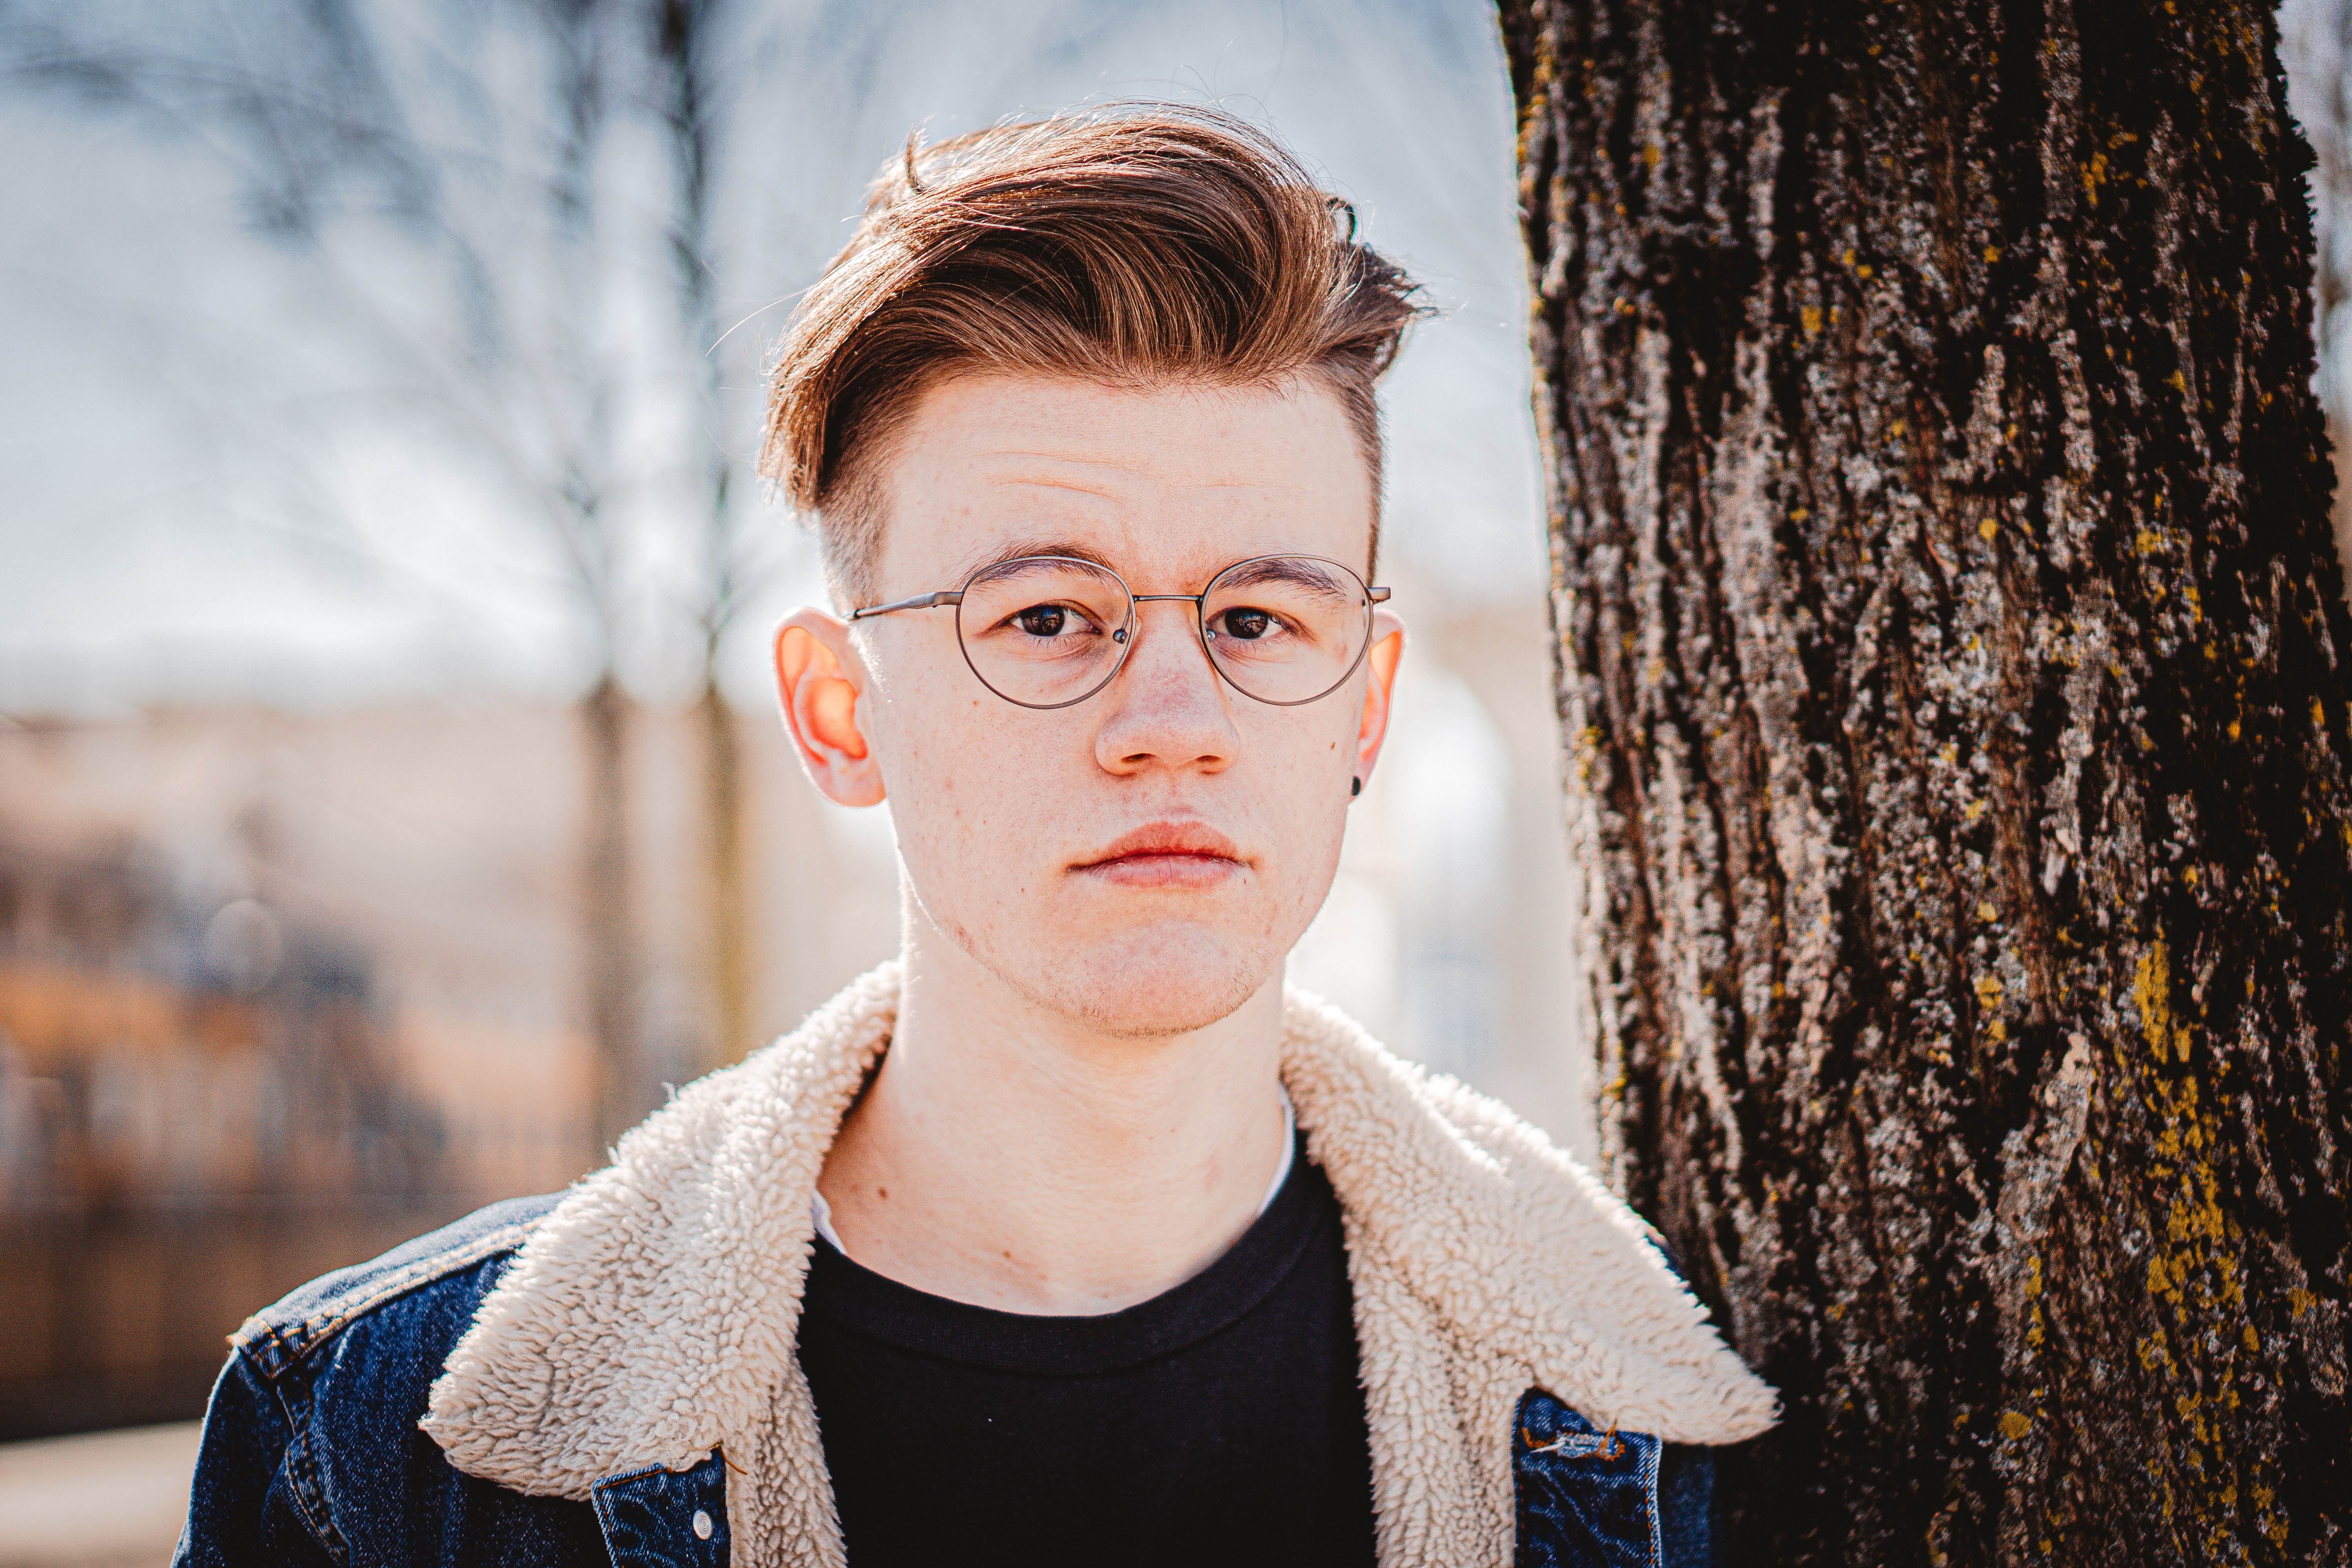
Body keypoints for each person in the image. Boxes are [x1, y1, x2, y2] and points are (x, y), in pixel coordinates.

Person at [174, 104, 1774, 1568]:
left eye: (1263, 617)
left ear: (1363, 709)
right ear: (839, 715)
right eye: (1050, 613)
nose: (1176, 716)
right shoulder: (380, 1453)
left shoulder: (1658, 1419)